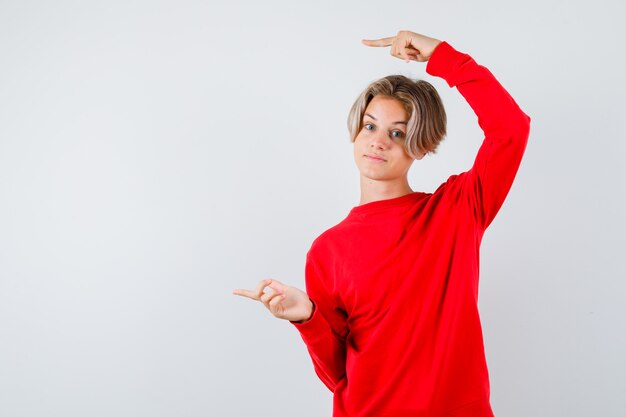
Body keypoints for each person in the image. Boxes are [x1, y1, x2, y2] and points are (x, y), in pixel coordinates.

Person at [232, 30, 531, 417]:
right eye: (370, 126)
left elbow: (511, 129)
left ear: (422, 146)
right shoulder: (327, 250)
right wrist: (307, 317)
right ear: (355, 131)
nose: (378, 142)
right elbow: (338, 375)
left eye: (398, 133)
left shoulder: (457, 210)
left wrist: (444, 57)